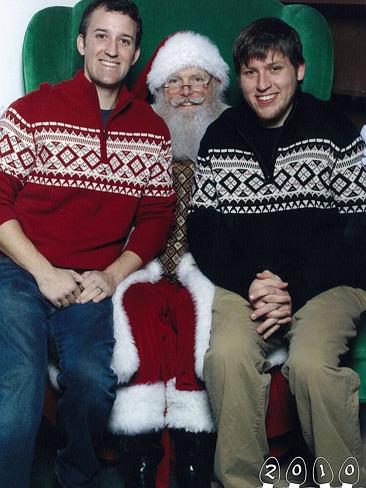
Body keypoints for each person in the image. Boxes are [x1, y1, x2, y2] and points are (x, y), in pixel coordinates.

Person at [0, 0, 175, 486]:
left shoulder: (152, 131)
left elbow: (158, 216)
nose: (111, 49)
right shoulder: (29, 112)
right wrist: (42, 271)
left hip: (90, 281)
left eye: (123, 40)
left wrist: (112, 275)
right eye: (101, 36)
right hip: (19, 269)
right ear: (81, 43)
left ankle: (72, 474)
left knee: (94, 383)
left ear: (136, 52)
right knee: (19, 380)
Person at [187, 17, 366, 488]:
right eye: (251, 72)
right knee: (224, 356)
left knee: (310, 364)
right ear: (239, 77)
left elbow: (357, 230)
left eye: (275, 69)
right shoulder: (221, 133)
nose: (263, 85)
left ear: (300, 70)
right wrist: (251, 281)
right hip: (249, 282)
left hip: (327, 281)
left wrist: (297, 290)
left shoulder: (334, 126)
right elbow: (203, 230)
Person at [105, 31, 229, 488]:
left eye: (199, 80)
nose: (187, 92)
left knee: (193, 316)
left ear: (217, 86)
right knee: (138, 313)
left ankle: (194, 454)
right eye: (174, 83)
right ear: (158, 93)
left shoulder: (234, 138)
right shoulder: (139, 141)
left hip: (210, 270)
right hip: (145, 266)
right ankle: (141, 454)